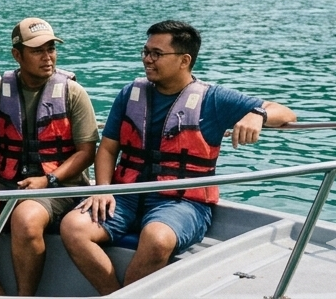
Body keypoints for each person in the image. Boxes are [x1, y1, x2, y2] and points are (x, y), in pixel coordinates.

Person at [60, 20, 296, 295]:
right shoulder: (130, 94)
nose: (147, 59)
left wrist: (259, 114)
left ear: (184, 60)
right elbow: (108, 148)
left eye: (156, 54)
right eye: (146, 52)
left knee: (157, 239)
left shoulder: (213, 99)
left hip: (181, 202)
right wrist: (103, 189)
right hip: (125, 195)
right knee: (73, 227)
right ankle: (115, 294)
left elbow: (286, 113)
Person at [0, 18, 98, 296]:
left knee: (25, 219)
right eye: (38, 50)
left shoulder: (73, 93)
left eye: (51, 49)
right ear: (17, 55)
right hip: (7, 181)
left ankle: (24, 296)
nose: (47, 57)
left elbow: (87, 152)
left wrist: (48, 180)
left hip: (58, 185)